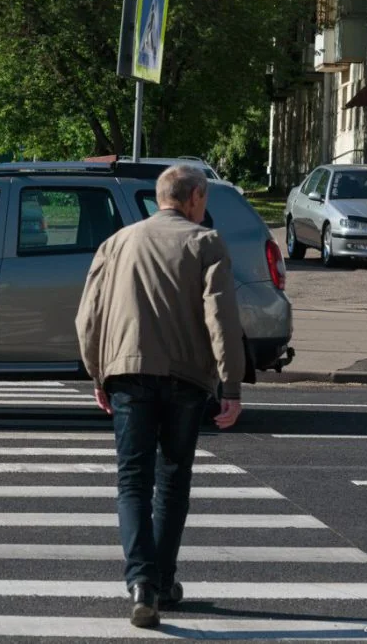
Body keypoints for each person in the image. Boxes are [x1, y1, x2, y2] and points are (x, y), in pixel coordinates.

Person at [74, 164, 244, 629]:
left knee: (132, 481)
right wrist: (230, 385)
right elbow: (222, 318)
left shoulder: (117, 242)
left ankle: (142, 584)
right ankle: (164, 580)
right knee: (172, 480)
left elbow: (88, 317)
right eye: (204, 201)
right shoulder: (206, 243)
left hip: (127, 374)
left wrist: (97, 374)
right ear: (194, 197)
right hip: (187, 378)